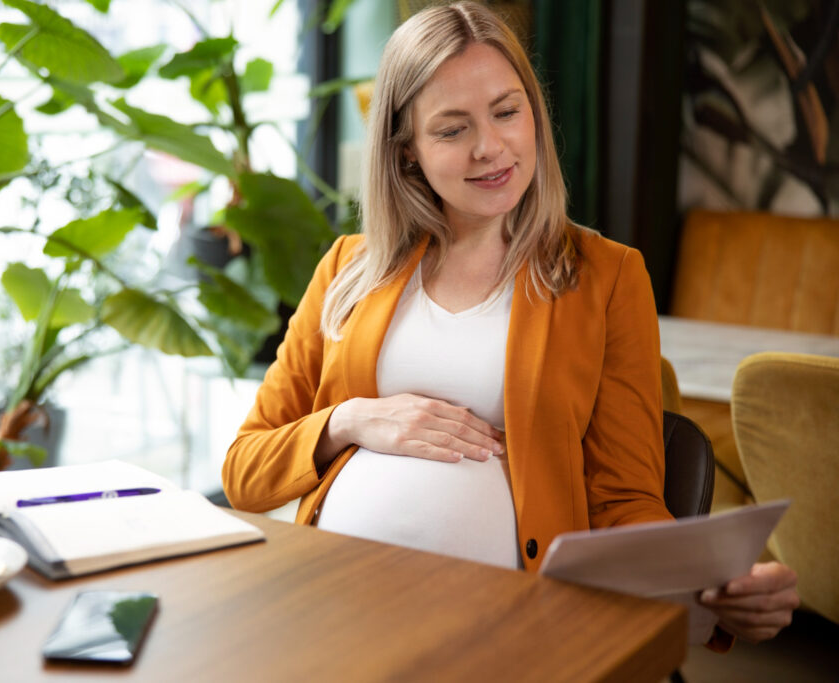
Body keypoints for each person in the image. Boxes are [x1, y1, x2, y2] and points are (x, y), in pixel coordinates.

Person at [222, 1, 797, 646]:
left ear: (535, 113)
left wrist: (717, 583)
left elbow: (623, 499)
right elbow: (246, 470)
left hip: (503, 629)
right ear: (406, 151)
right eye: (451, 129)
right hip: (330, 608)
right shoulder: (347, 271)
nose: (490, 147)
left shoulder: (605, 278)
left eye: (506, 111)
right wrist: (352, 421)